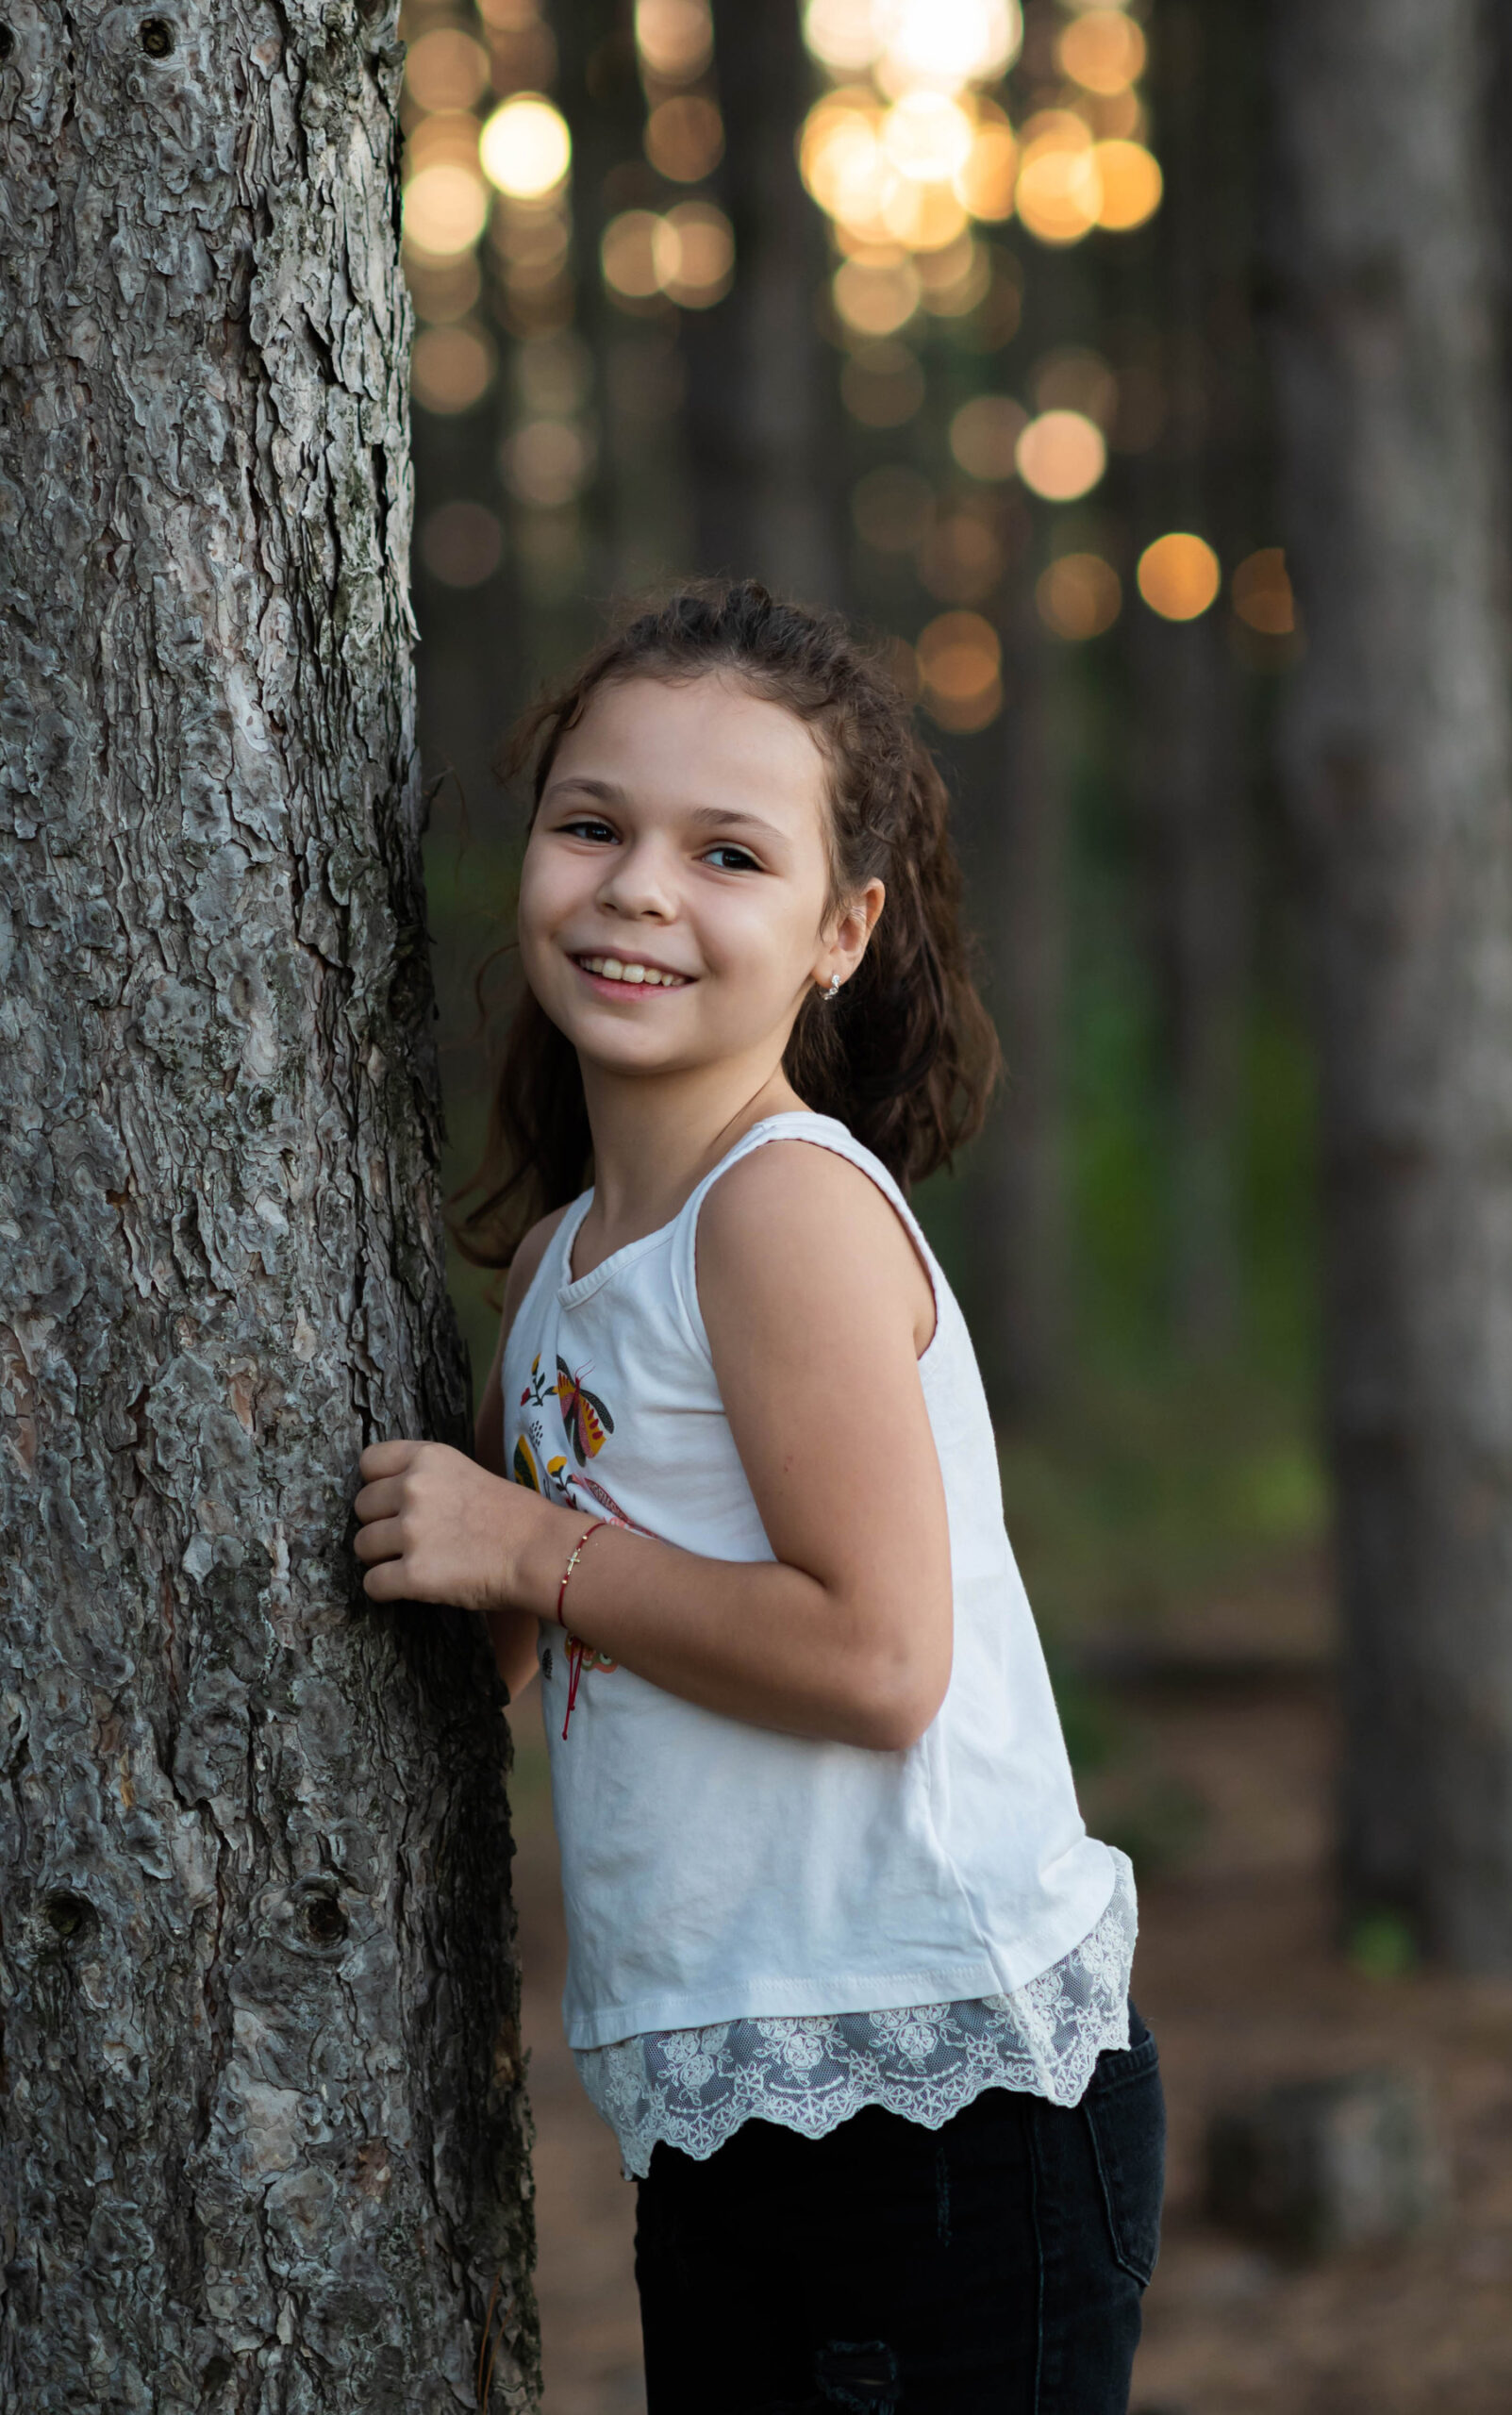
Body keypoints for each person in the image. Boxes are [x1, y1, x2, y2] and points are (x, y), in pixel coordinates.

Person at [354, 581, 1166, 2413]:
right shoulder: (560, 1260)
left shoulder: (781, 1206)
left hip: (943, 2104)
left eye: (728, 852)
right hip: (729, 2098)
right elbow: (516, 1637)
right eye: (594, 826)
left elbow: (877, 1657)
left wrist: (529, 1544)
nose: (641, 888)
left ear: (839, 930)